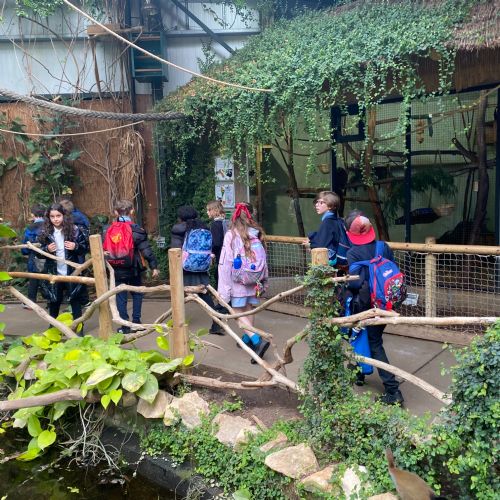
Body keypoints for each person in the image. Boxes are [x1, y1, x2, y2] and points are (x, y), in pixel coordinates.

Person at [345, 210, 404, 405]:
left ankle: (393, 391)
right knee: (362, 336)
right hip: (386, 302)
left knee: (372, 342)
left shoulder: (353, 253)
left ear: (350, 233)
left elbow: (356, 283)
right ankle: (359, 373)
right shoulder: (382, 246)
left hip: (367, 306)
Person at [218, 202, 269, 363]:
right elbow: (264, 260)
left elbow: (225, 263)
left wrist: (223, 290)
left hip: (238, 282)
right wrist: (264, 280)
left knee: (236, 313)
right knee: (248, 308)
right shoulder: (257, 233)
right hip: (254, 280)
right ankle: (248, 340)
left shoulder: (231, 235)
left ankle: (257, 340)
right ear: (251, 215)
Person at [104, 200, 159, 334]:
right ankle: (136, 323)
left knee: (120, 296)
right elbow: (146, 250)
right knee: (137, 293)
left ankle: (125, 326)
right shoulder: (137, 230)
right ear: (132, 211)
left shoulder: (108, 230)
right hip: (133, 268)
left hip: (115, 268)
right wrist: (154, 266)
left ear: (115, 212)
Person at [170, 206, 224, 336]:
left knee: (178, 292)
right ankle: (216, 322)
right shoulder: (204, 227)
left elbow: (175, 249)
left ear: (181, 217)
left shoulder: (178, 229)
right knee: (204, 293)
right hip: (201, 265)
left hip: (185, 267)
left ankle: (176, 322)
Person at [37, 203, 88, 328]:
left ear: (64, 215)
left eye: (58, 216)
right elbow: (38, 253)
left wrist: (76, 246)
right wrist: (47, 249)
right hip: (54, 273)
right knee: (54, 301)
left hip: (72, 272)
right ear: (48, 217)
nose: (55, 219)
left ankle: (79, 329)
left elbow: (85, 248)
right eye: (52, 216)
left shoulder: (75, 230)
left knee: (75, 301)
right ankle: (52, 329)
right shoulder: (45, 232)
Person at [305, 191, 350, 272]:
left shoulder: (328, 222)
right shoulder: (337, 220)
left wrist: (310, 242)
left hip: (330, 265)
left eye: (321, 202)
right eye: (317, 202)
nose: (317, 205)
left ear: (330, 205)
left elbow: (321, 245)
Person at [58, 197, 91, 307]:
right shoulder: (81, 217)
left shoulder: (72, 222)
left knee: (75, 274)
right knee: (78, 274)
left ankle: (80, 299)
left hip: (74, 252)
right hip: (80, 250)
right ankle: (83, 300)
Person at [21, 204, 46, 309]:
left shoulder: (30, 228)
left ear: (33, 214)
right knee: (48, 278)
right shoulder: (49, 225)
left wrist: (25, 252)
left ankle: (30, 302)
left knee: (33, 279)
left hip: (34, 257)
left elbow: (25, 245)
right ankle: (52, 301)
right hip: (49, 256)